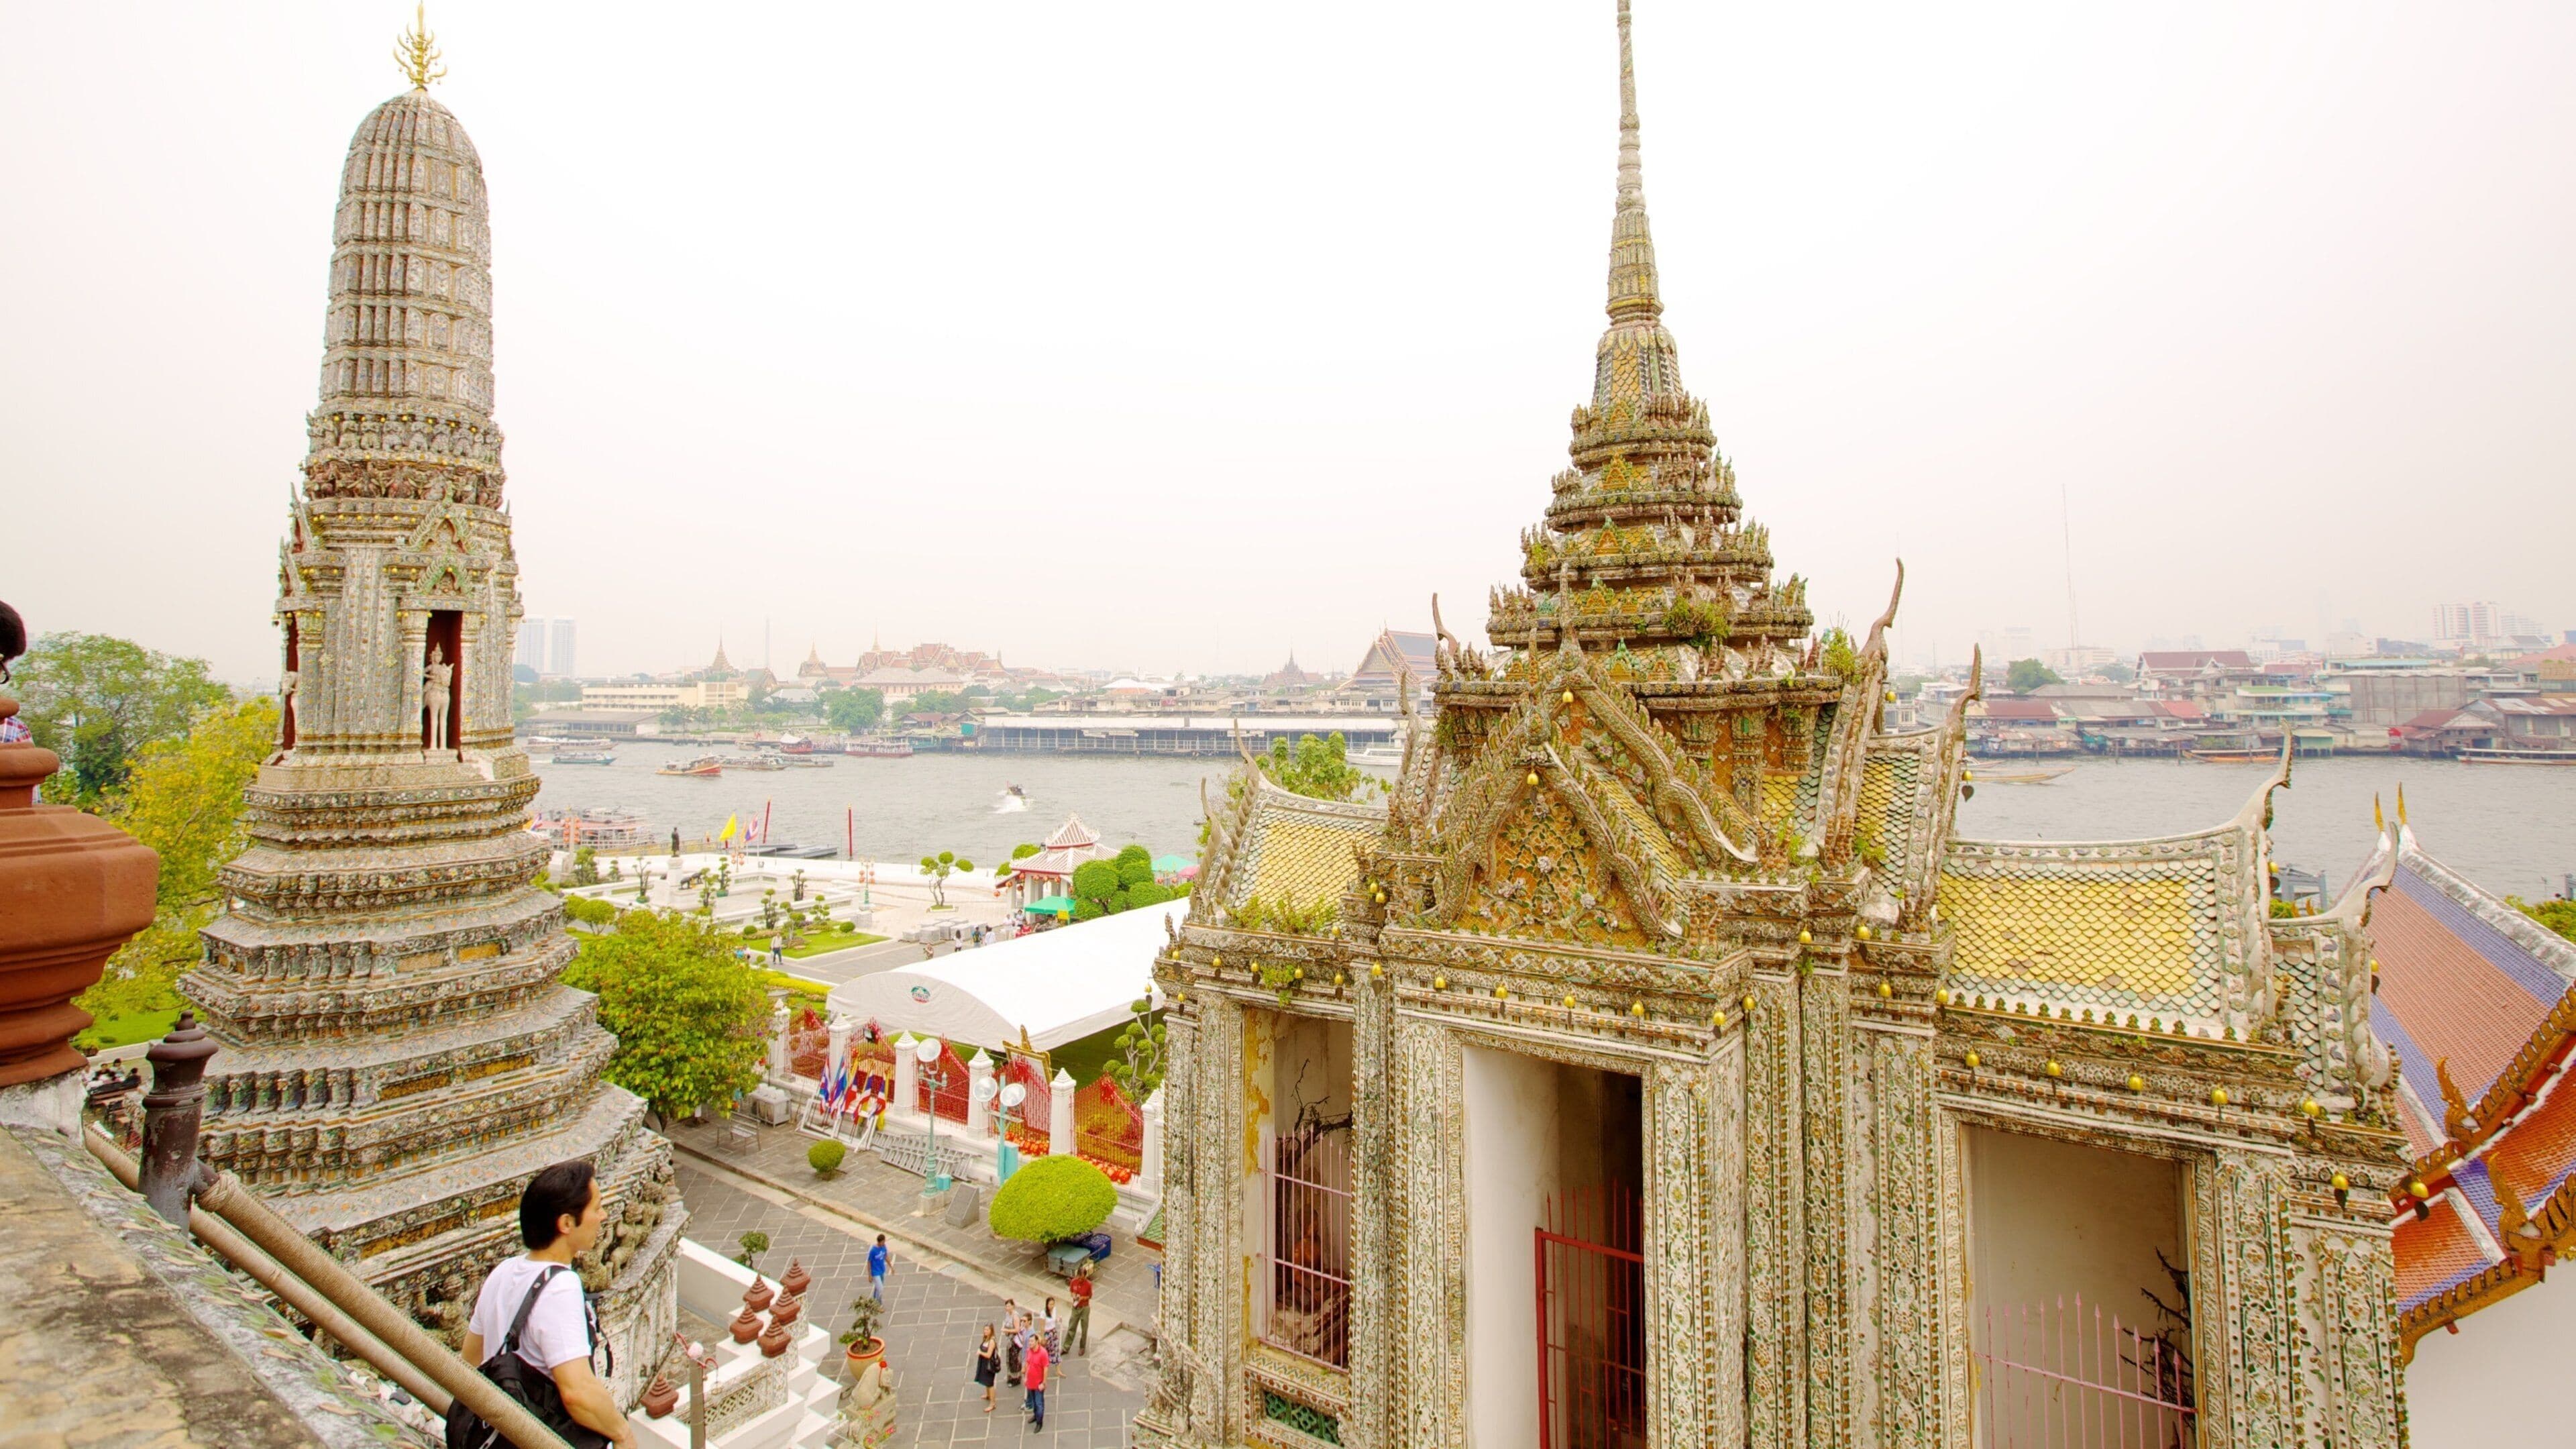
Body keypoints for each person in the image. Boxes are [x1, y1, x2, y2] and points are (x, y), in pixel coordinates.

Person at [460, 1159, 634, 1449]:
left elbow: (470, 1360)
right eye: (596, 1208)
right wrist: (623, 1433)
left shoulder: (503, 1272)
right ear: (566, 1223)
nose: (603, 1216)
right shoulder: (560, 1286)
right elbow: (577, 1392)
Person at [1066, 1260, 1095, 1357]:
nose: (1081, 1280)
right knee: (1071, 1327)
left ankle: (1082, 1347)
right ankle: (1066, 1347)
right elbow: (1071, 1292)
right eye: (1079, 1277)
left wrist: (1082, 1298)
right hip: (1075, 1307)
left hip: (1084, 1308)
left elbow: (1090, 1296)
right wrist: (1074, 1296)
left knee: (1084, 1329)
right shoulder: (1074, 1281)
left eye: (1082, 1278)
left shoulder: (1088, 1284)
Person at [1022, 1332, 1050, 1431]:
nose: (1030, 1343)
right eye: (1029, 1341)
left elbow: (1046, 1368)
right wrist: (1026, 1377)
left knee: (1039, 1403)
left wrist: (1044, 1383)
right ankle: (1035, 1415)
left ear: (1037, 1341)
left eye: (1032, 1341)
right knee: (1034, 1402)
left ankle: (1039, 1422)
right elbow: (1028, 1363)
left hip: (1038, 1384)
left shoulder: (1043, 1353)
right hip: (1030, 1382)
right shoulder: (1029, 1351)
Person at [973, 1324, 1000, 1413]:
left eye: (987, 1330)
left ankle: (993, 1404)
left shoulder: (992, 1341)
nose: (985, 1331)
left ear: (991, 1331)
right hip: (984, 1364)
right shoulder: (986, 1338)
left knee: (990, 1383)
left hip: (989, 1365)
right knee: (986, 1381)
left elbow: (988, 1355)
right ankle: (988, 1395)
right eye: (985, 1329)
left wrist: (980, 1352)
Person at [1002, 1301, 1025, 1386]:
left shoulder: (1015, 1316)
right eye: (1006, 1306)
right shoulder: (1007, 1314)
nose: (1007, 1308)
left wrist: (1006, 1330)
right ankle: (1010, 1376)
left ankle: (1016, 1379)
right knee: (1009, 1359)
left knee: (1014, 1360)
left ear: (1013, 1306)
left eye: (1009, 1306)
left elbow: (1017, 1330)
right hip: (1009, 1340)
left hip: (1015, 1341)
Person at [868, 1232, 890, 1304]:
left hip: (882, 1270)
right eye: (883, 1242)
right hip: (875, 1272)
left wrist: (891, 1266)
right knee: (880, 1288)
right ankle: (879, 1303)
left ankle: (874, 1299)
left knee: (878, 1286)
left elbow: (886, 1256)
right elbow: (869, 1262)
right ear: (879, 1242)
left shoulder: (884, 1247)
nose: (884, 1243)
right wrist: (870, 1275)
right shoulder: (873, 1251)